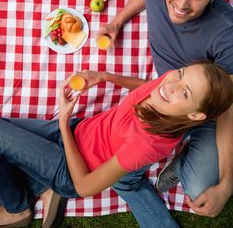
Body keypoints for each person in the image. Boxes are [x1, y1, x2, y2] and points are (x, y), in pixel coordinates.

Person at [0, 62, 233, 228]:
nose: (170, 84)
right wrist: (104, 76)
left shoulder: (145, 145)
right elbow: (145, 84)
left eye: (185, 92)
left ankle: (18, 206)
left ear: (194, 115)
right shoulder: (169, 83)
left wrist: (62, 121)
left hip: (71, 171)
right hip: (76, 131)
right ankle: (26, 195)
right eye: (181, 73)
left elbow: (84, 186)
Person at [98, 0, 233, 226]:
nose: (182, 4)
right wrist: (117, 22)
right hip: (166, 92)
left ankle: (183, 162)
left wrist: (227, 184)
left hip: (205, 109)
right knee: (106, 152)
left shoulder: (227, 34)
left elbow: (228, 110)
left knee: (200, 192)